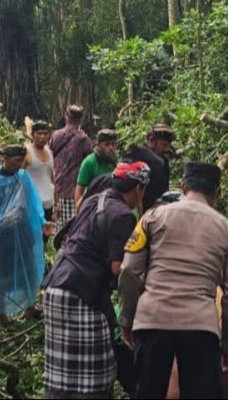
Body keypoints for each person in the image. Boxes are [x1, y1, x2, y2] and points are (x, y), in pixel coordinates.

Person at [119, 163, 228, 400]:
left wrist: (127, 318)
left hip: (152, 321)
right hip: (201, 327)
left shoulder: (152, 217)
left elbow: (128, 271)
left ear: (183, 186)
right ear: (216, 192)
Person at [42, 162, 150, 399]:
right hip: (81, 295)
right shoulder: (122, 214)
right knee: (94, 380)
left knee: (61, 377)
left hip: (56, 289)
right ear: (138, 189)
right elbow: (119, 269)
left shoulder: (94, 201)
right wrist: (148, 287)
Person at [0, 145, 53, 326]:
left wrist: (41, 222)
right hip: (1, 237)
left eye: (22, 161)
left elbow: (33, 201)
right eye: (16, 161)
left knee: (28, 269)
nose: (19, 165)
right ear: (5, 158)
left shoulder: (23, 178)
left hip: (23, 233)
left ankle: (30, 307)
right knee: (1, 274)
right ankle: (3, 315)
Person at [50, 105, 94, 231]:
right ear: (81, 120)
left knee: (59, 231)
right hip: (75, 192)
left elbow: (49, 158)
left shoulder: (55, 135)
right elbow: (92, 159)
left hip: (57, 191)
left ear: (65, 117)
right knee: (73, 230)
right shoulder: (83, 139)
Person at [123, 124, 175, 212]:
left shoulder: (162, 159)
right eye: (163, 145)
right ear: (151, 141)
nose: (166, 149)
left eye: (168, 146)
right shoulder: (137, 155)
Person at [75, 129, 118, 209]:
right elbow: (80, 188)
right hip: (93, 205)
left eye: (113, 144)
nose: (111, 148)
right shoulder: (89, 162)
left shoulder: (116, 160)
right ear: (98, 145)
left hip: (111, 203)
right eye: (107, 145)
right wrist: (79, 209)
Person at [25, 120, 55, 224]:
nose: (42, 137)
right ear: (32, 135)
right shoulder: (27, 152)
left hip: (49, 202)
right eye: (39, 134)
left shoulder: (49, 152)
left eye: (45, 134)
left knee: (45, 236)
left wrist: (56, 202)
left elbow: (52, 177)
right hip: (32, 203)